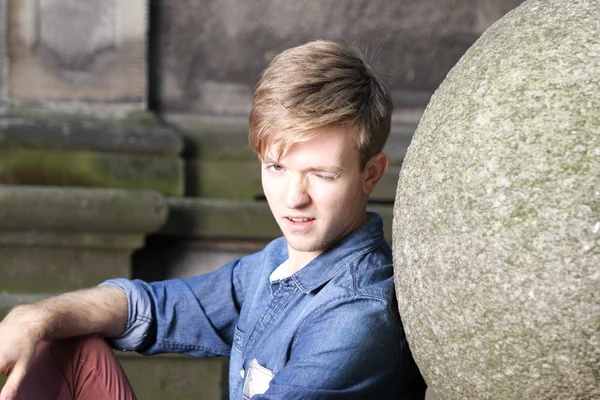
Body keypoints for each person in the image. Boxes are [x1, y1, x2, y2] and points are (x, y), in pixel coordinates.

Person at [0, 40, 426, 400]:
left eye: (321, 174)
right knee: (67, 340)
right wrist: (30, 318)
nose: (294, 199)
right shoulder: (277, 263)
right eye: (276, 168)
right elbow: (153, 308)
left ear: (371, 173)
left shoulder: (357, 316)